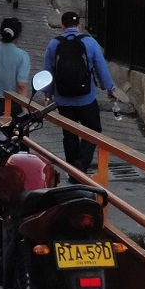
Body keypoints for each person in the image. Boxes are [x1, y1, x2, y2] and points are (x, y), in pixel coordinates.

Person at [42, 11, 116, 176]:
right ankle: (81, 162)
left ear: (62, 26)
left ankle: (72, 172)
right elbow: (101, 68)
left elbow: (47, 71)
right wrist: (110, 89)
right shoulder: (90, 42)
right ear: (79, 26)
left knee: (69, 134)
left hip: (63, 99)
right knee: (93, 129)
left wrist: (48, 94)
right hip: (86, 98)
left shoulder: (54, 44)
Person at [0, 17, 29, 121]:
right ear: (18, 34)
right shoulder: (22, 56)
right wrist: (25, 109)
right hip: (11, 104)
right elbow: (21, 85)